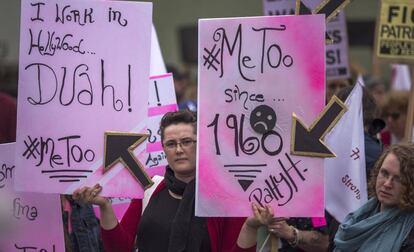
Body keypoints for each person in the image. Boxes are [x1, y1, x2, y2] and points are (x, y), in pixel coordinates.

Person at [73, 110, 260, 252]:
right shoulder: (149, 190)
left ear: (202, 144)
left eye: (187, 141)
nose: (178, 150)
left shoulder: (224, 200)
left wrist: (251, 226)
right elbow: (120, 248)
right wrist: (105, 206)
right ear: (163, 149)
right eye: (171, 144)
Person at [333, 143, 414, 251]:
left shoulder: (410, 232)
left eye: (398, 179)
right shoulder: (358, 217)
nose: (387, 184)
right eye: (384, 173)